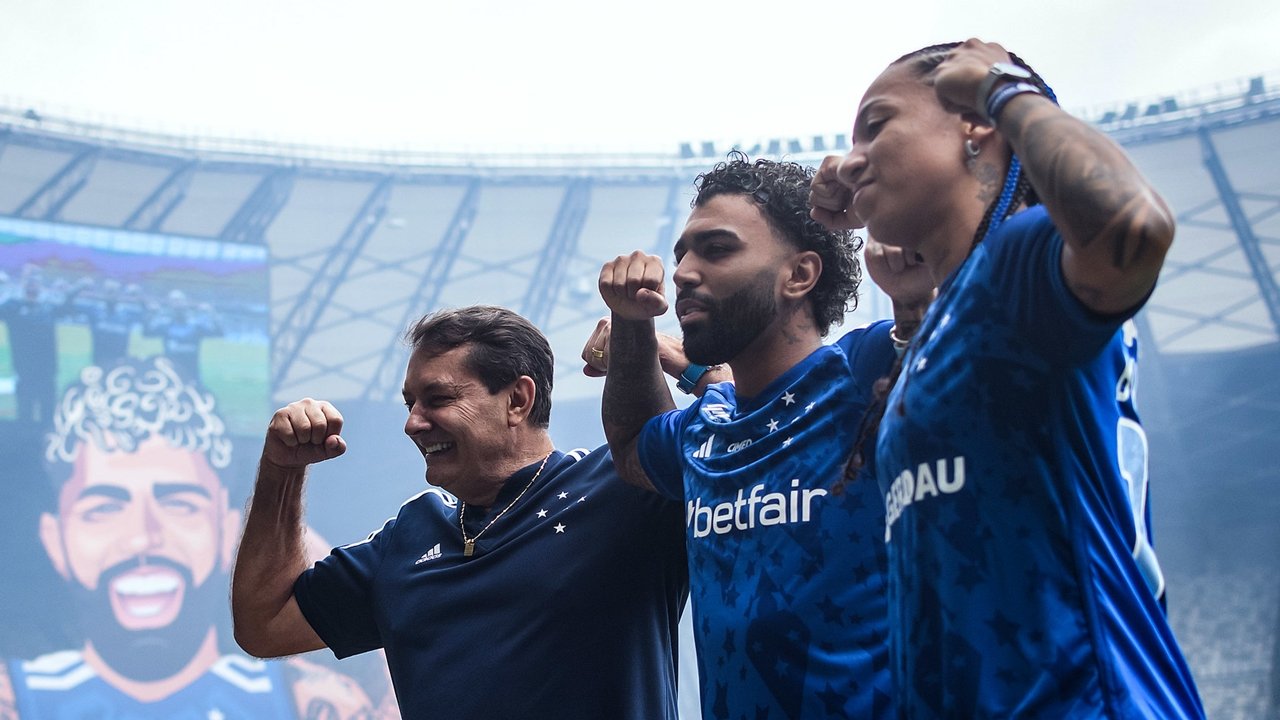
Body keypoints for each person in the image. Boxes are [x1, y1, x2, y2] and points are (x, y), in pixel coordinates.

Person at [808, 38, 1205, 717]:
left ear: (974, 126)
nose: (849, 158)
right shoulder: (957, 311)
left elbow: (1131, 225)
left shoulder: (1020, 260)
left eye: (878, 124)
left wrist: (1005, 87)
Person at [594, 153, 932, 718]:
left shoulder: (865, 373)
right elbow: (632, 447)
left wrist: (897, 215)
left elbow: (982, 310)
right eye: (681, 254)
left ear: (799, 275)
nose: (681, 272)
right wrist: (632, 322)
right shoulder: (709, 427)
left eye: (717, 249)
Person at [231, 305, 689, 719]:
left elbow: (750, 455)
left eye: (438, 399)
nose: (412, 422)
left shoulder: (624, 489)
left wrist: (688, 364)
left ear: (517, 400)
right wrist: (282, 471)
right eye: (410, 403)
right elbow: (266, 625)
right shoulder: (409, 537)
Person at [0, 356, 381, 718]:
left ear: (228, 529)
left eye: (179, 505)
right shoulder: (12, 700)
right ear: (55, 538)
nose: (144, 538)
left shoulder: (314, 702)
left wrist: (281, 493)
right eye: (104, 509)